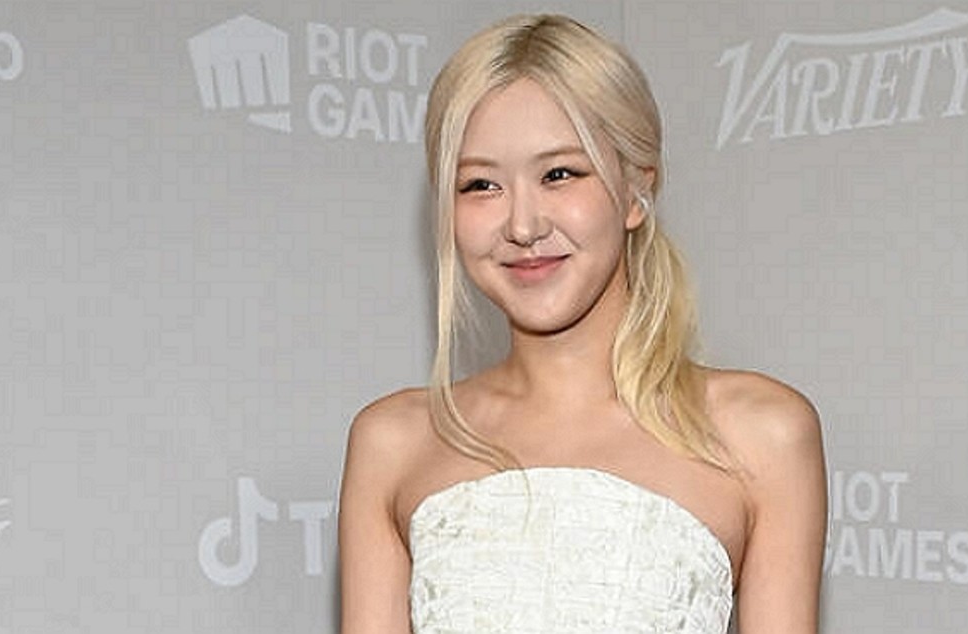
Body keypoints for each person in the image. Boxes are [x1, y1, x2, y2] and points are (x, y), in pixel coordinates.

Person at [339, 14, 827, 634]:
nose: (523, 225)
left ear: (635, 190)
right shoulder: (394, 443)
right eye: (480, 184)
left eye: (559, 174)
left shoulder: (762, 433)